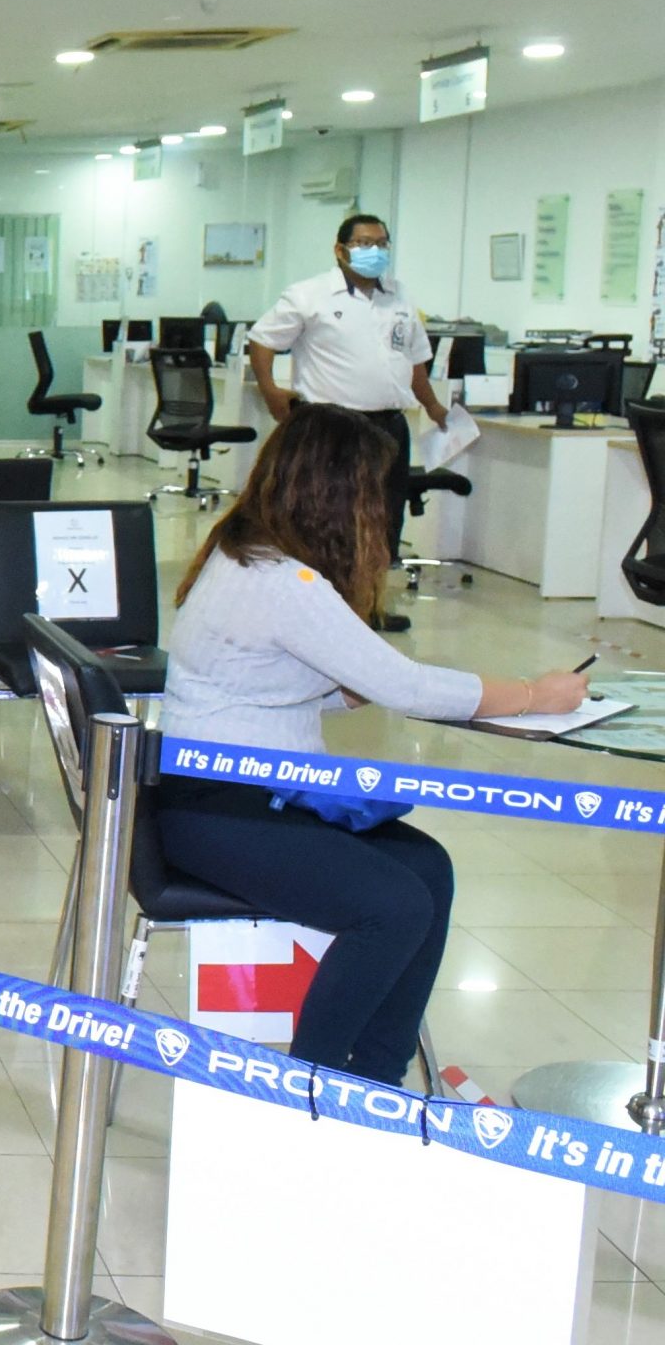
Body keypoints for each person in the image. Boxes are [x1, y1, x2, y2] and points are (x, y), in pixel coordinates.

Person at [159, 403, 588, 1084]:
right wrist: (536, 695)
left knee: (429, 872)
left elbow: (255, 686)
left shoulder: (242, 552)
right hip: (221, 811)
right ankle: (318, 1089)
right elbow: (409, 687)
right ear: (339, 494)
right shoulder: (286, 583)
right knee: (392, 907)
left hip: (223, 798)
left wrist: (341, 688)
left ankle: (376, 1081)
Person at [245, 215, 450, 632]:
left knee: (383, 517)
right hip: (331, 426)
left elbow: (416, 364)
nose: (374, 251)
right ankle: (317, 607)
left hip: (388, 425)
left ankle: (370, 606)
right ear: (340, 250)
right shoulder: (309, 294)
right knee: (325, 516)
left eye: (381, 243)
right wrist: (270, 391)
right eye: (363, 242)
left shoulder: (400, 298)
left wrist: (434, 408)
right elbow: (262, 340)